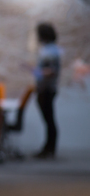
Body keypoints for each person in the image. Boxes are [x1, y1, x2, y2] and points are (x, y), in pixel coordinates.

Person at [32, 23, 61, 159]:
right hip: (46, 89)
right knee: (49, 120)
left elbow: (51, 71)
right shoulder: (49, 50)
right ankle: (48, 148)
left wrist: (37, 72)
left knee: (49, 120)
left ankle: (49, 149)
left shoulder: (50, 51)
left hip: (47, 89)